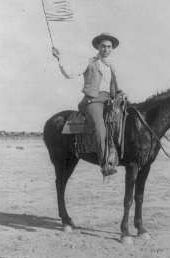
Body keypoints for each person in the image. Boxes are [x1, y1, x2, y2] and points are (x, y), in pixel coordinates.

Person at [52, 33, 122, 176]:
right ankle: (105, 165)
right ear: (98, 47)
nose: (106, 49)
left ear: (112, 49)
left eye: (109, 47)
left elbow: (114, 86)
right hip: (93, 101)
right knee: (100, 127)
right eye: (103, 46)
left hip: (109, 100)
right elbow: (70, 73)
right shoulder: (90, 62)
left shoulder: (112, 66)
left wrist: (120, 95)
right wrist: (59, 59)